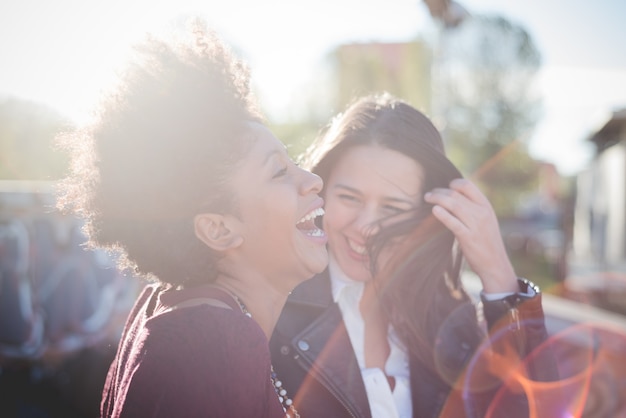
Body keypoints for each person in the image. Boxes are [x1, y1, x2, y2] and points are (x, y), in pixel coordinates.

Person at [56, 21, 328, 418]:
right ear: (218, 229)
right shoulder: (214, 344)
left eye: (294, 162)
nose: (314, 180)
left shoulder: (166, 309)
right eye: (278, 172)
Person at [270, 93, 561, 417]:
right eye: (350, 198)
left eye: (393, 208)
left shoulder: (447, 318)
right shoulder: (272, 312)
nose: (366, 227)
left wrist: (498, 275)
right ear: (321, 191)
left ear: (428, 213)